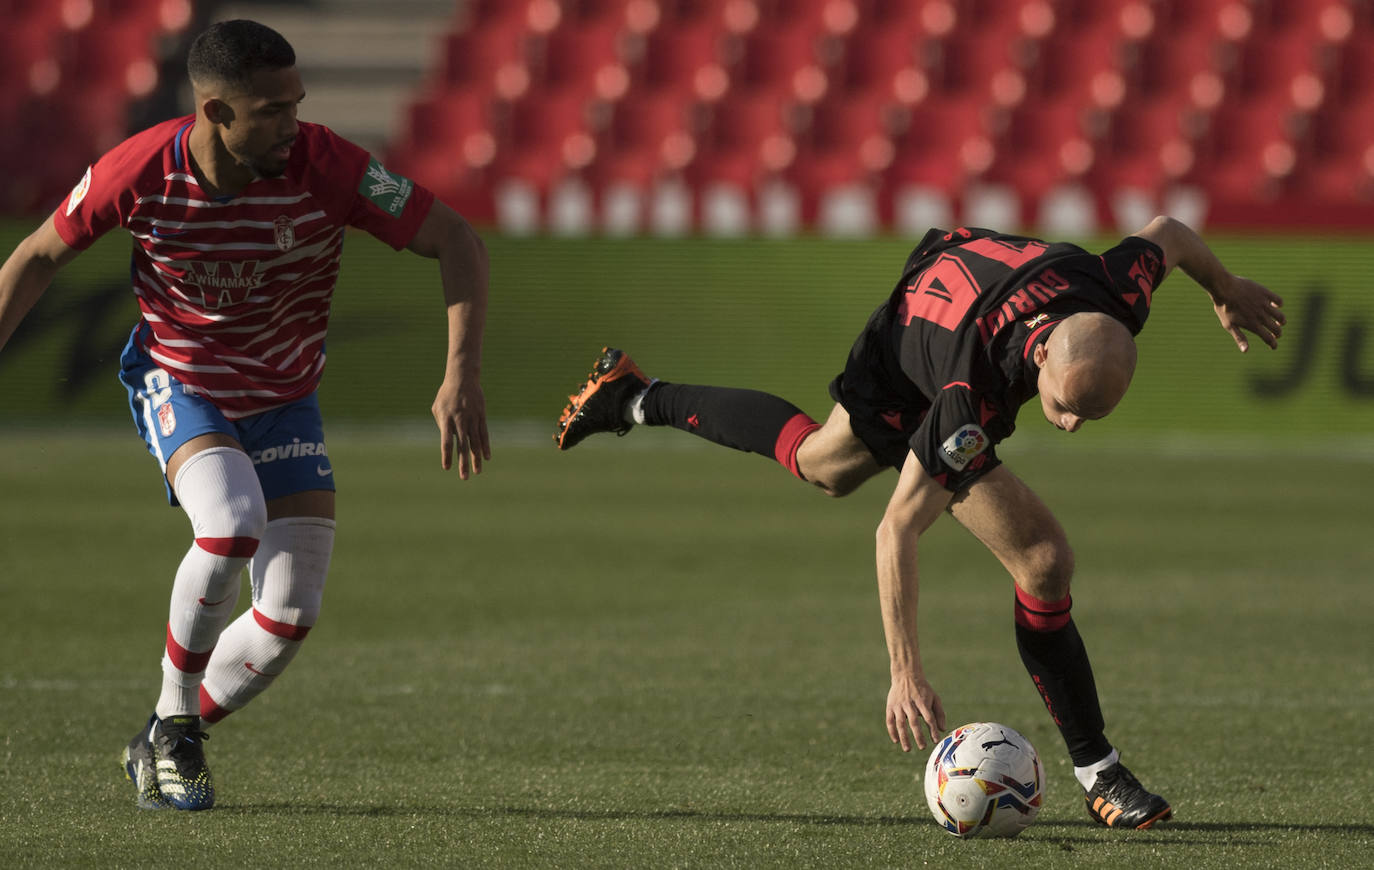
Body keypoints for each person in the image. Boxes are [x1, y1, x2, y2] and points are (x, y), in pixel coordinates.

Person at [554, 217, 1284, 830]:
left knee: (831, 466)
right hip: (917, 339)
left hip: (959, 270)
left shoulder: (1118, 287)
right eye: (1066, 408)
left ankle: (630, 396)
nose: (1068, 425)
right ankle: (1102, 774)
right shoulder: (973, 399)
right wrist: (905, 673)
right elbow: (895, 530)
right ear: (1041, 363)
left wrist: (1226, 289)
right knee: (1024, 551)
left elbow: (1170, 234)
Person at [0, 20, 490, 811]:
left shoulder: (329, 166)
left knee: (292, 609)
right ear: (215, 112)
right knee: (231, 523)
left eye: (297, 104)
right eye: (272, 110)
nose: (293, 125)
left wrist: (459, 374)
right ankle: (174, 727)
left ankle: (159, 736)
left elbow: (455, 239)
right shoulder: (140, 169)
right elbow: (35, 256)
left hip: (285, 395)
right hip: (181, 380)